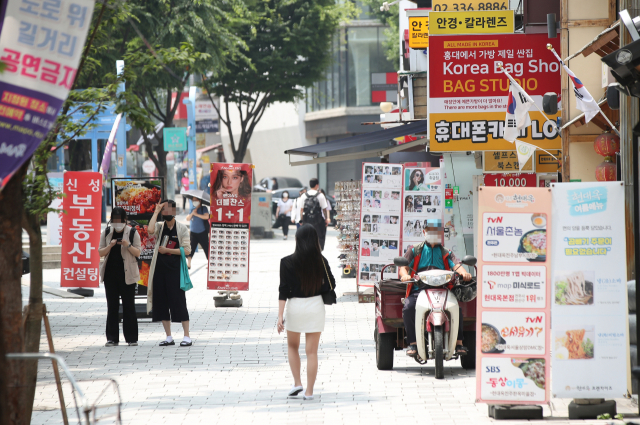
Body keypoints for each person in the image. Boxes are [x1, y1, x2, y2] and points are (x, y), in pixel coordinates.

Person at [277, 224, 336, 400]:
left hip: (295, 307)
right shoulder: (321, 261)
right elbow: (331, 284)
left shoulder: (286, 262)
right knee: (312, 352)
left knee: (292, 346)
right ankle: (309, 392)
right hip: (315, 306)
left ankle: (297, 383)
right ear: (315, 241)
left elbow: (283, 290)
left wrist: (280, 316)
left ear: (297, 240)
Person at [399, 219, 472, 357]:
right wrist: (405, 276)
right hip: (419, 289)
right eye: (430, 230)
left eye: (436, 231)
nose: (433, 233)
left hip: (443, 289)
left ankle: (459, 343)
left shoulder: (445, 251)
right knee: (408, 307)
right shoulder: (414, 250)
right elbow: (403, 267)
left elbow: (456, 265)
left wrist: (464, 273)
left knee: (457, 308)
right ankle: (413, 343)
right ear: (424, 232)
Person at [148, 200, 193, 347]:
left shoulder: (181, 228)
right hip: (159, 272)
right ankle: (169, 337)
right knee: (161, 304)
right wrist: (156, 211)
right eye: (164, 210)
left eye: (169, 210)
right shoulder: (160, 227)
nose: (166, 213)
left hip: (175, 272)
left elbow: (187, 250)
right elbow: (149, 230)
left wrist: (168, 251)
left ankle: (187, 336)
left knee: (178, 302)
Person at [98, 207, 142, 347]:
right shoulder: (106, 232)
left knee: (129, 306)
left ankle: (131, 338)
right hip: (110, 275)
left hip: (127, 274)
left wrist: (127, 245)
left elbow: (138, 253)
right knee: (112, 306)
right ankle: (112, 338)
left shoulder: (133, 232)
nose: (117, 223)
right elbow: (100, 252)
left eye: (120, 220)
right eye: (115, 220)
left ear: (125, 220)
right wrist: (110, 246)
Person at [298, 178, 330, 250]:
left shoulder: (304, 196)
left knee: (307, 237)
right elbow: (324, 209)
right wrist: (325, 219)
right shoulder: (320, 195)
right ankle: (319, 250)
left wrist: (302, 220)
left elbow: (301, 210)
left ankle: (308, 251)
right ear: (317, 185)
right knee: (320, 236)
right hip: (317, 221)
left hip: (307, 221)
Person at [185, 198, 210, 269]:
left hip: (202, 232)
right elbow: (187, 218)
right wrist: (192, 213)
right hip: (193, 233)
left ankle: (209, 263)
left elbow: (206, 216)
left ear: (200, 201)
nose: (194, 202)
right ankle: (189, 263)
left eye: (195, 200)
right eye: (193, 200)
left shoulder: (203, 208)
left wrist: (196, 214)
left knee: (206, 248)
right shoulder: (192, 209)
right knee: (191, 248)